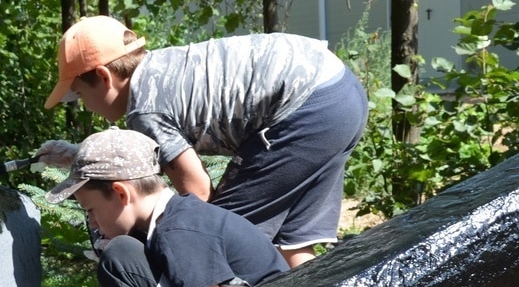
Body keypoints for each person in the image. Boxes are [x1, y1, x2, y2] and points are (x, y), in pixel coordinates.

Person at [38, 15, 368, 270]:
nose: (85, 107)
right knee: (294, 244)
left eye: (80, 95)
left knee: (223, 242)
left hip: (303, 107)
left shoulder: (144, 105)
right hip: (340, 91)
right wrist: (78, 156)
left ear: (104, 77)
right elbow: (148, 158)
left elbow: (197, 191)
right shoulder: (161, 68)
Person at [15, 128, 288, 287]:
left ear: (121, 193)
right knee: (124, 256)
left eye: (91, 210)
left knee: (119, 256)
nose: (94, 223)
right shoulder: (171, 220)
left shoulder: (179, 233)